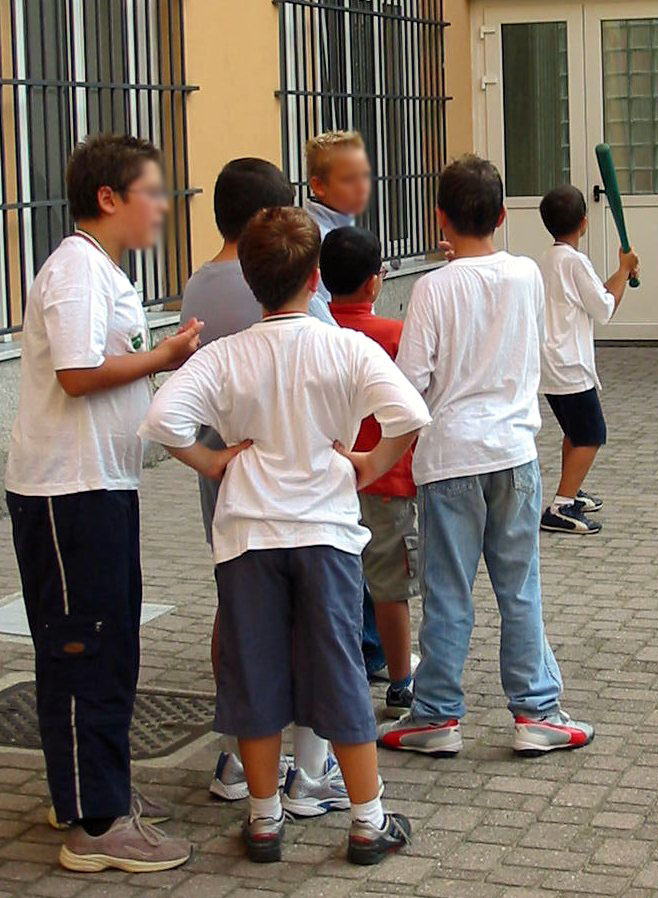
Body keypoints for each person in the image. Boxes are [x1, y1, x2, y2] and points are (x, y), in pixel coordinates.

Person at [139, 206, 430, 865]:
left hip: (246, 536)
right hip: (325, 531)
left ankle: (265, 820)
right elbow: (409, 414)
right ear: (316, 275)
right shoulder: (344, 346)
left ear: (249, 279)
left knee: (255, 674)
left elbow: (161, 419)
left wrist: (212, 460)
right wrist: (369, 464)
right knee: (340, 671)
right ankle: (367, 820)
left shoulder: (226, 356)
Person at [4, 134, 200, 873]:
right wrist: (166, 357)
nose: (161, 206)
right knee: (87, 647)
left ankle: (89, 790)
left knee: (100, 644)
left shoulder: (97, 271)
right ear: (110, 198)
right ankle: (94, 825)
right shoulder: (78, 272)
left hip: (97, 484)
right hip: (69, 489)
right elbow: (80, 373)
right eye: (151, 191)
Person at [378, 155, 594, 758]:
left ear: (438, 219)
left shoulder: (430, 288)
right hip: (514, 452)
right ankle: (537, 711)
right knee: (519, 587)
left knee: (449, 591)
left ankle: (436, 716)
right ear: (503, 215)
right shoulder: (526, 273)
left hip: (448, 458)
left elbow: (410, 380)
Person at [180, 158, 350, 817]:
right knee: (307, 621)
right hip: (295, 483)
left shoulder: (197, 285)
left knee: (238, 610)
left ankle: (234, 757)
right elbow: (328, 360)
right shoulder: (281, 288)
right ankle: (310, 770)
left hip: (225, 476)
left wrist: (204, 457)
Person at [302, 129, 392, 681]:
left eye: (366, 175)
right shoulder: (312, 238)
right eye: (350, 178)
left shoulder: (346, 230)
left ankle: (369, 642)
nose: (362, 187)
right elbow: (317, 317)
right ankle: (362, 645)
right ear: (318, 185)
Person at [325, 227, 419, 720]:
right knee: (390, 586)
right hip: (388, 478)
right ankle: (402, 680)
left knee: (338, 583)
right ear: (374, 283)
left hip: (328, 479)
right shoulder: (395, 337)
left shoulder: (318, 333)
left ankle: (340, 669)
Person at [536, 185, 639, 535]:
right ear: (584, 222)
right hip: (569, 364)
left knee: (575, 432)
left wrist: (622, 272)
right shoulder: (575, 261)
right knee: (591, 434)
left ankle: (570, 491)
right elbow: (605, 308)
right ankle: (561, 506)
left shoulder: (550, 259)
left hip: (550, 363)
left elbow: (597, 293)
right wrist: (624, 271)